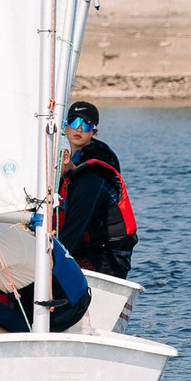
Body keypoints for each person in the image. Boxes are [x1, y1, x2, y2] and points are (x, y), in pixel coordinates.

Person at [56, 100, 137, 279]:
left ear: (94, 132)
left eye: (85, 125)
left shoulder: (92, 173)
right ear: (65, 126)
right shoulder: (65, 160)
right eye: (74, 122)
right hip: (85, 247)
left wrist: (49, 264)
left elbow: (74, 229)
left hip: (108, 257)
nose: (78, 129)